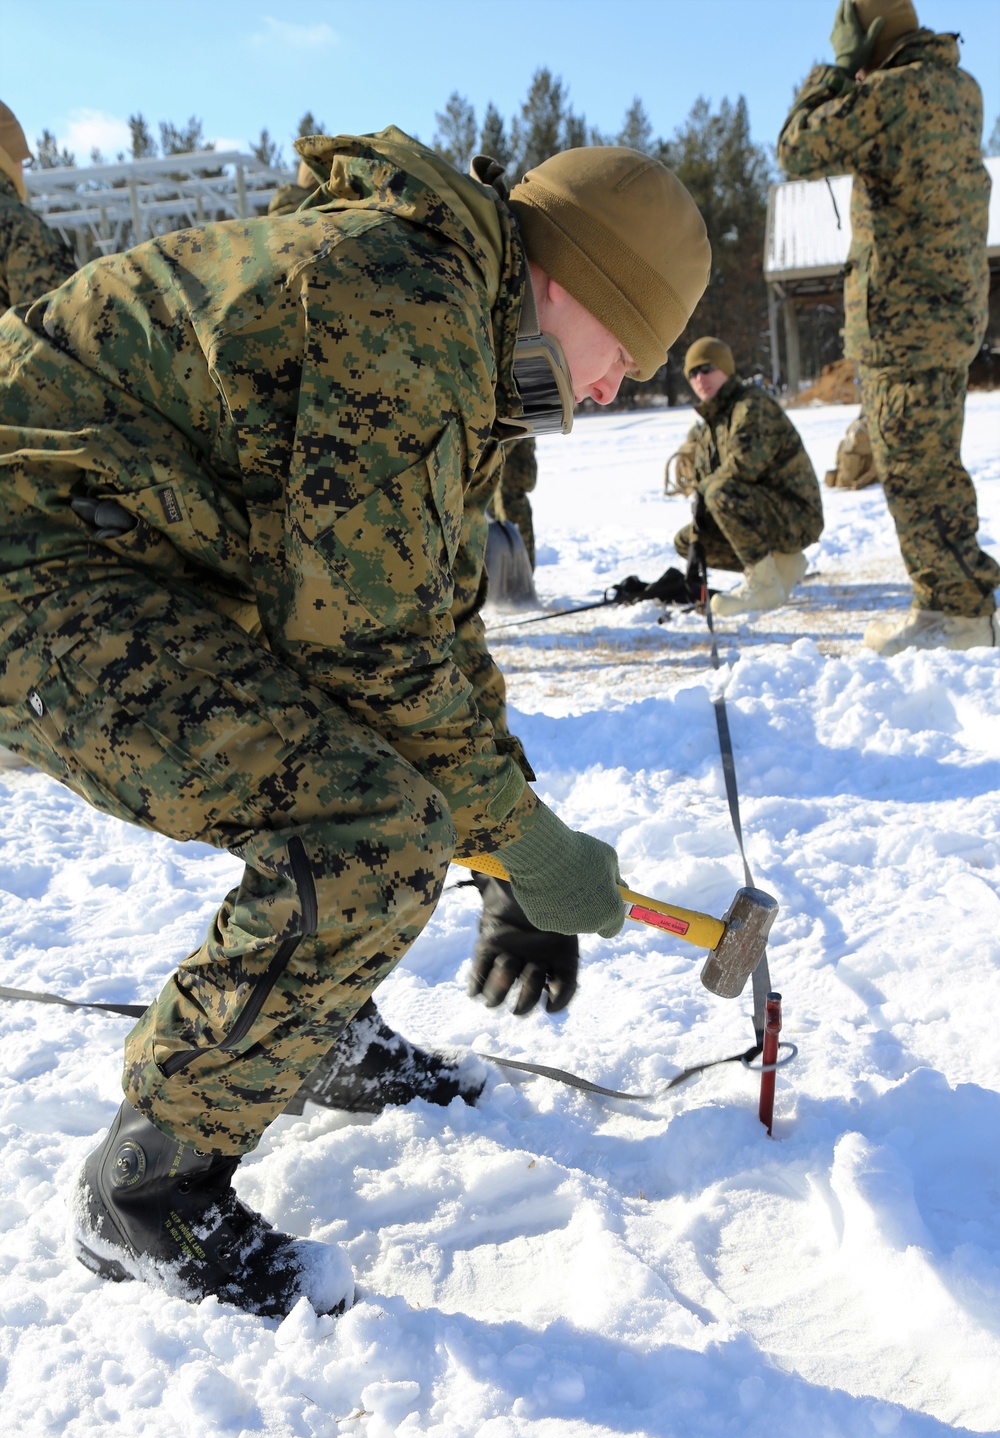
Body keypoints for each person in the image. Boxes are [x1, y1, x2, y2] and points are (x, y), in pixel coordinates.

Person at [0, 126, 710, 1316]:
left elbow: (427, 620)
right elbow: (366, 647)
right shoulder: (406, 305)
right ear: (571, 281)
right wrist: (523, 845)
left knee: (396, 786)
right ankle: (146, 1189)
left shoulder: (459, 314)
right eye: (622, 352)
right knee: (369, 825)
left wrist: (501, 847)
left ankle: (308, 1025)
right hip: (37, 569)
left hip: (121, 550)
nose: (608, 390)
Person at [777, 0, 999, 655]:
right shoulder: (958, 88)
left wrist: (838, 70)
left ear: (869, 38)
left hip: (902, 323)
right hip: (944, 318)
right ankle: (957, 604)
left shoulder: (894, 96)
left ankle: (955, 614)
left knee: (912, 475)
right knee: (932, 468)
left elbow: (796, 146)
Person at [611, 336, 823, 614]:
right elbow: (705, 486)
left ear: (726, 369)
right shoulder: (707, 426)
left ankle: (765, 585)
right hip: (761, 513)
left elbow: (742, 470)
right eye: (692, 373)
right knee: (689, 541)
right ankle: (780, 566)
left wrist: (704, 496)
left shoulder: (752, 406)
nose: (700, 378)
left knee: (720, 492)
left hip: (797, 517)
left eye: (707, 368)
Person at [0, 101, 77, 316]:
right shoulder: (18, 226)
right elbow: (53, 326)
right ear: (7, 159)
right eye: (21, 161)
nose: (22, 171)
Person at [490, 436, 538, 569]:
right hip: (505, 498)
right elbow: (496, 451)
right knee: (513, 550)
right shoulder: (511, 431)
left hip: (517, 495)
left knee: (524, 554)